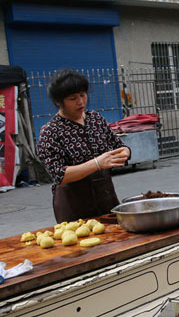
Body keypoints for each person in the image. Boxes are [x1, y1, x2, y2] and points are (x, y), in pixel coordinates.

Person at [37, 69, 130, 222]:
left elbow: (117, 144)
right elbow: (59, 174)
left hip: (105, 195)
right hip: (73, 203)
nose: (80, 101)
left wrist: (124, 152)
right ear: (59, 102)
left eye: (82, 95)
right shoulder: (50, 131)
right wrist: (96, 164)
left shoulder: (95, 119)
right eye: (73, 98)